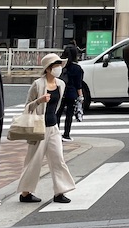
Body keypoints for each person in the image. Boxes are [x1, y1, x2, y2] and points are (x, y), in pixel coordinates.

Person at [18, 53, 76, 204]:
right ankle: (25, 193)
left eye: (59, 65)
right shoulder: (38, 84)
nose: (58, 68)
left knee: (58, 159)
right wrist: (39, 101)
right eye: (55, 65)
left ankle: (60, 192)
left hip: (53, 126)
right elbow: (27, 106)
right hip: (39, 127)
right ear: (48, 69)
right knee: (34, 161)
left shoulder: (60, 84)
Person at [58, 44, 84, 141]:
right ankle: (66, 134)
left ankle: (55, 134)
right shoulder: (77, 68)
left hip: (60, 92)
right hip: (71, 93)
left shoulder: (59, 65)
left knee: (57, 113)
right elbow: (78, 84)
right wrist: (81, 96)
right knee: (69, 115)